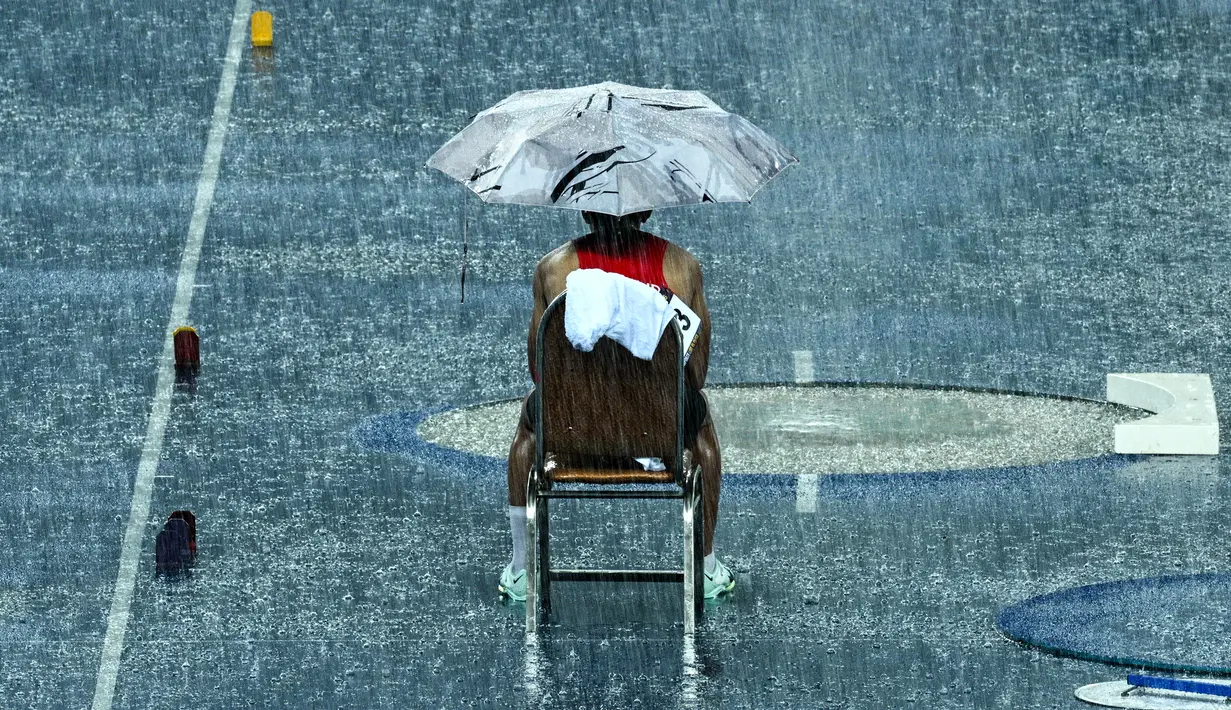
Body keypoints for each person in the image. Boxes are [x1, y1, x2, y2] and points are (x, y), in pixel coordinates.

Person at [499, 210, 734, 601]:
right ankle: (706, 566)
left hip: (574, 430)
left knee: (528, 426)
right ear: (648, 210)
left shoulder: (553, 271)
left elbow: (540, 372)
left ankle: (522, 568)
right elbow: (695, 375)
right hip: (658, 432)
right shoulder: (683, 268)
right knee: (701, 424)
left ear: (584, 210)